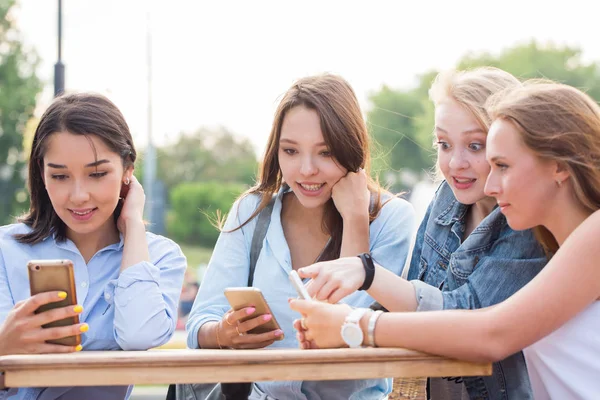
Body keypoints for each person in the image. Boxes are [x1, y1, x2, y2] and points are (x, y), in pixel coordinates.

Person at [291, 81, 600, 400]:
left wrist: (356, 325)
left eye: (502, 166)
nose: (491, 186)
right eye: (443, 144)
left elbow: (492, 334)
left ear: (560, 167)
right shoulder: (555, 241)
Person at [185, 74, 416, 400]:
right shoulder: (252, 212)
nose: (306, 170)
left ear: (352, 150)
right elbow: (198, 327)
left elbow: (341, 336)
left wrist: (355, 220)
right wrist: (225, 332)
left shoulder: (393, 219)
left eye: (325, 153)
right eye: (291, 151)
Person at [0, 93, 187, 400]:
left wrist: (134, 228)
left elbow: (140, 336)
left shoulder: (161, 257)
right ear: (41, 173)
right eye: (59, 176)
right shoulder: (5, 249)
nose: (78, 195)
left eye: (97, 174)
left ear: (128, 169)